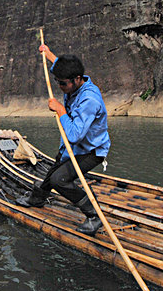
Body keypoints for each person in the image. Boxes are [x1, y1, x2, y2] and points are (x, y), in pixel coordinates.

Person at [16, 44, 111, 236]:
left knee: (60, 179)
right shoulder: (72, 79)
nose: (60, 87)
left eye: (63, 83)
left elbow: (75, 134)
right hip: (72, 148)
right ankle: (38, 198)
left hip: (91, 151)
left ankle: (94, 216)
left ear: (77, 79)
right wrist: (49, 54)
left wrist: (60, 110)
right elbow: (60, 66)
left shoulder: (89, 100)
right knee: (53, 172)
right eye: (57, 82)